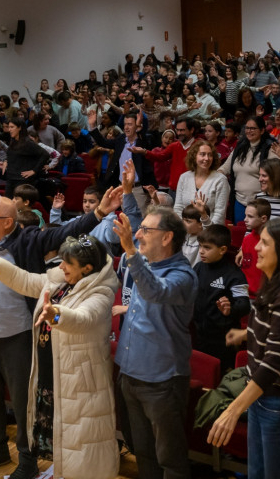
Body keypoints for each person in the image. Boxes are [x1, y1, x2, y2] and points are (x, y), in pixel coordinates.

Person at [0, 160, 121, 479]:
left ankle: (27, 462)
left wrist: (98, 213)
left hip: (17, 336)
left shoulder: (29, 240)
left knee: (23, 403)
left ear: (7, 221)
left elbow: (67, 232)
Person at [0, 233, 120, 479]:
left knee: (81, 445)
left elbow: (83, 319)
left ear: (87, 268)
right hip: (53, 372)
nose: (60, 267)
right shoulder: (61, 281)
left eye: (67, 264)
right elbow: (27, 281)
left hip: (81, 381)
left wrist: (56, 316)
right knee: (62, 440)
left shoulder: (101, 293)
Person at [208, 218, 280, 479]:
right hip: (265, 397)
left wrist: (232, 410)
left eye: (265, 243)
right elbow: (277, 335)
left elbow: (274, 362)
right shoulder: (275, 284)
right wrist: (248, 332)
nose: (256, 248)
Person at [111, 205, 196, 479]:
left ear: (167, 237)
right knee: (143, 451)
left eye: (146, 230)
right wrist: (127, 193)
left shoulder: (182, 276)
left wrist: (132, 253)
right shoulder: (147, 263)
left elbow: (155, 292)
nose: (139, 234)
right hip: (130, 373)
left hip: (162, 381)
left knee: (169, 458)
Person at [193, 225, 251, 372]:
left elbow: (245, 305)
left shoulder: (234, 275)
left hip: (224, 339)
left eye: (207, 247)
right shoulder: (198, 268)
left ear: (223, 250)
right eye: (200, 246)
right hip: (198, 335)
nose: (201, 251)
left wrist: (230, 308)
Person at [220, 116, 279, 222]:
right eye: (247, 128)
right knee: (241, 234)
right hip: (239, 201)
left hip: (261, 202)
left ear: (262, 130)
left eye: (253, 128)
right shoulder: (240, 147)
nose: (249, 131)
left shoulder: (269, 148)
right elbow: (225, 168)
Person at [174, 139, 229, 224]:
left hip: (210, 232)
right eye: (202, 154)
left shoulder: (220, 180)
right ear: (194, 156)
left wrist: (206, 230)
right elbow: (178, 207)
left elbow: (220, 214)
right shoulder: (184, 177)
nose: (207, 158)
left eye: (210, 155)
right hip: (186, 230)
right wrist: (184, 228)